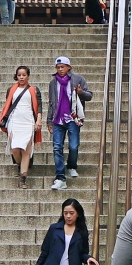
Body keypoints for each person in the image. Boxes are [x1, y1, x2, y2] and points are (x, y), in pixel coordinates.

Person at [48, 56, 92, 191]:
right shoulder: (53, 82)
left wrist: (80, 92)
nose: (60, 69)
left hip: (73, 118)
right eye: (58, 67)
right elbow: (51, 103)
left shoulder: (78, 79)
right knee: (57, 148)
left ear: (69, 67)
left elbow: (89, 95)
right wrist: (49, 120)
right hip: (58, 119)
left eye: (63, 67)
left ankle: (72, 166)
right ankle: (60, 177)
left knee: (73, 145)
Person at [0, 65, 42, 187]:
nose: (21, 77)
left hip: (28, 120)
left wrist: (38, 120)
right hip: (14, 120)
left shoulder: (34, 90)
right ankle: (19, 164)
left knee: (26, 149)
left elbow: (39, 106)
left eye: (24, 75)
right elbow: (8, 105)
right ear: (16, 76)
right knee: (15, 148)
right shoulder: (11, 89)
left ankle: (23, 176)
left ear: (28, 76)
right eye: (19, 75)